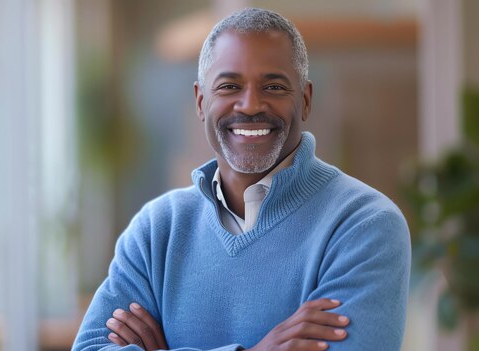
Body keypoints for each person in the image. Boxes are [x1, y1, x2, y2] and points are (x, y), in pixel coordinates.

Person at [72, 8, 410, 351]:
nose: (250, 105)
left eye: (274, 86)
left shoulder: (364, 226)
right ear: (201, 102)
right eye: (230, 86)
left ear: (305, 101)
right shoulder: (157, 231)